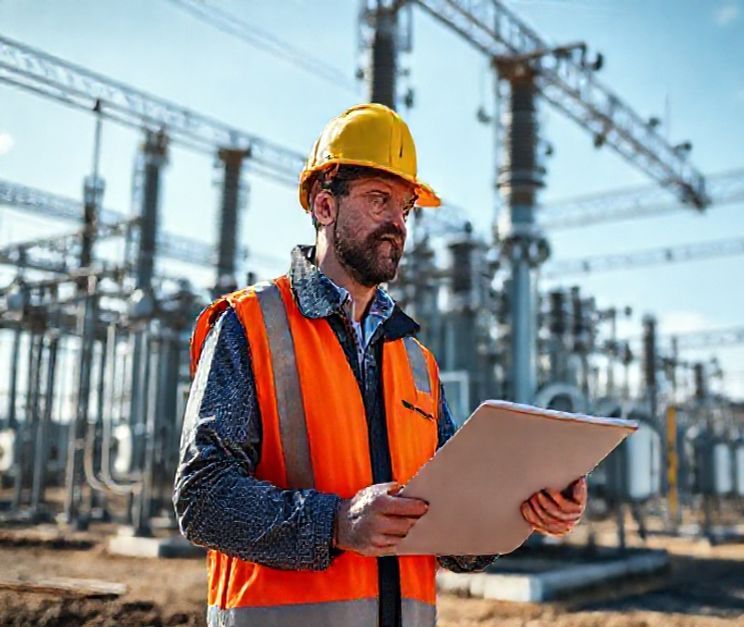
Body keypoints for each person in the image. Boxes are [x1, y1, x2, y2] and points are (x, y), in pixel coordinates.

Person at [174, 103, 587, 627]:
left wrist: (524, 508)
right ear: (324, 207)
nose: (397, 223)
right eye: (378, 200)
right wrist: (336, 525)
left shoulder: (417, 361)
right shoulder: (250, 326)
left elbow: (454, 540)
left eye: (406, 209)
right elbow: (202, 498)